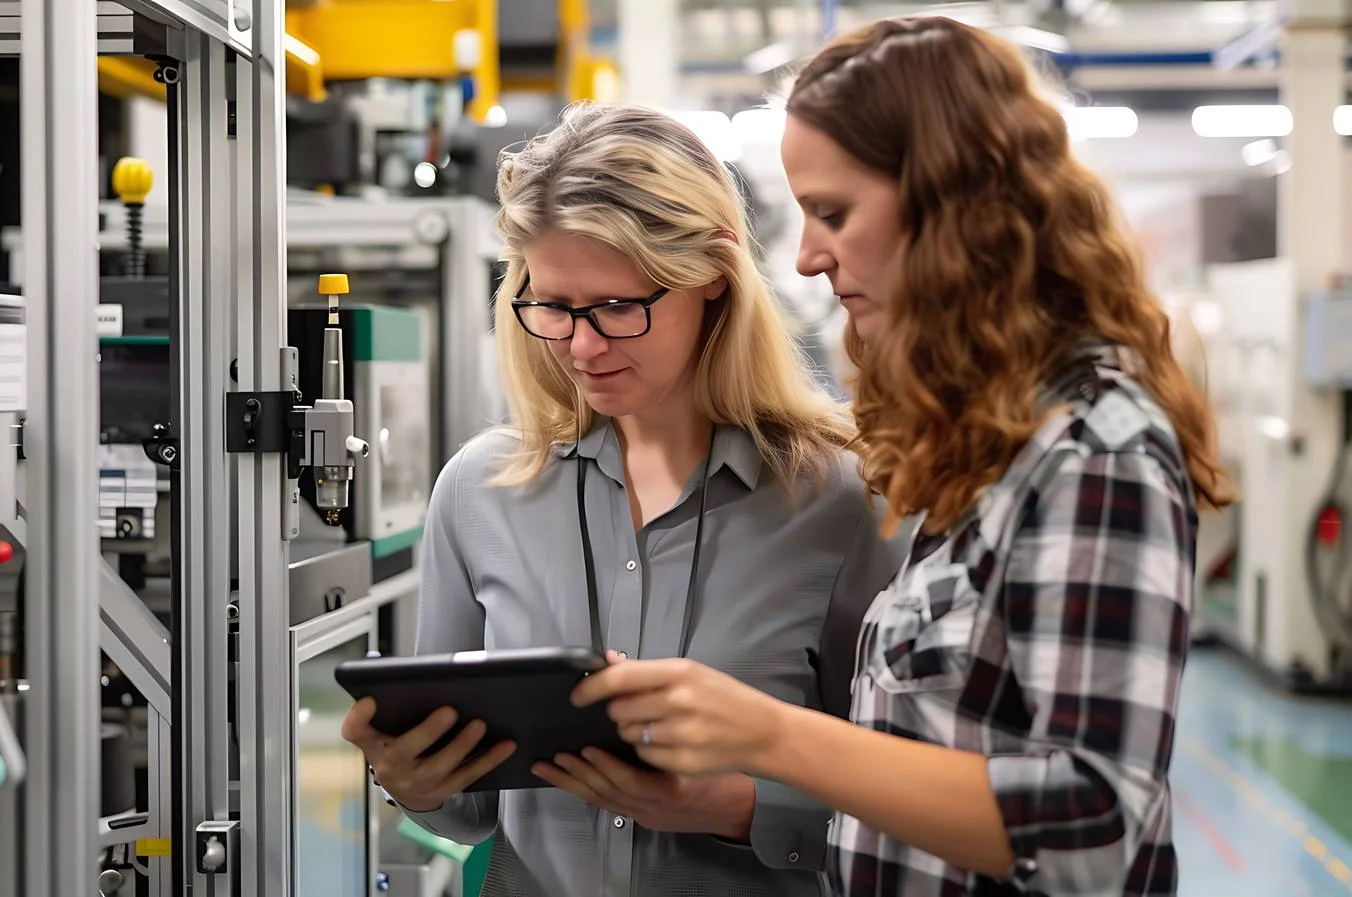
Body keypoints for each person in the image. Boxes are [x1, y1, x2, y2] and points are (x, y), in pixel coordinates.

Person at [570, 16, 1233, 897]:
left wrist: (770, 735)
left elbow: (1096, 824)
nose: (806, 257)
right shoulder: (983, 447)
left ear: (954, 206)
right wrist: (731, 799)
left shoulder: (1093, 451)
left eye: (834, 213)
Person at [340, 102, 911, 897]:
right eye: (552, 305)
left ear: (713, 274)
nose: (580, 345)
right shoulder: (479, 492)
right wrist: (414, 778)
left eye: (615, 306)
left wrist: (736, 806)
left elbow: (915, 807)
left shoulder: (845, 497)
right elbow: (465, 815)